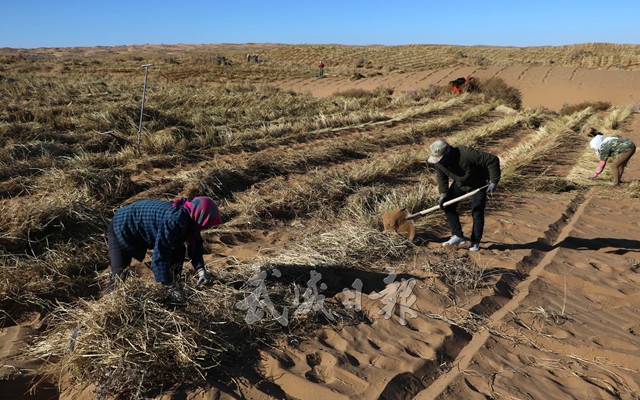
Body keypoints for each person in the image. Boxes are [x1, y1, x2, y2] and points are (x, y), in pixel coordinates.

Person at [105, 196, 222, 304]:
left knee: (178, 249)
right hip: (122, 225)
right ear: (201, 216)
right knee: (120, 272)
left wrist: (201, 270)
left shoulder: (192, 219)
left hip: (142, 226)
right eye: (208, 223)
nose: (208, 227)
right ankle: (108, 302)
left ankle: (174, 289)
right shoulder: (175, 221)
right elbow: (160, 253)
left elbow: (195, 246)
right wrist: (169, 286)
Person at [428, 139, 501, 252]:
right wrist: (443, 193)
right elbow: (441, 176)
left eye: (442, 159)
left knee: (477, 212)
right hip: (461, 184)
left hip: (479, 184)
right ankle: (457, 236)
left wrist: (494, 182)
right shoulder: (439, 163)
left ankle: (475, 242)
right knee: (448, 205)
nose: (440, 162)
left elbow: (492, 160)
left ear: (449, 153)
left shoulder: (466, 153)